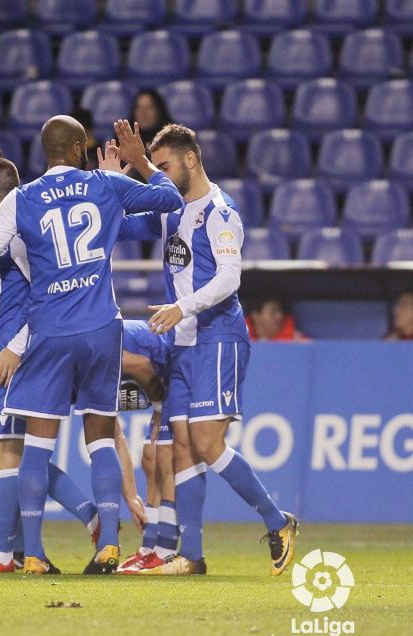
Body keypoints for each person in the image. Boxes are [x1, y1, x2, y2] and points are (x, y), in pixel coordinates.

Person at [0, 116, 182, 575]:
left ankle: (32, 553)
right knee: (100, 438)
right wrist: (135, 165)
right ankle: (109, 544)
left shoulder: (20, 198)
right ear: (78, 147)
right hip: (101, 328)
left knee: (38, 444)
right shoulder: (106, 185)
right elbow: (169, 200)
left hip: (48, 332)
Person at [114, 123, 299, 576]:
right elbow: (118, 226)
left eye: (163, 167)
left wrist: (183, 307)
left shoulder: (220, 211)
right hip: (181, 342)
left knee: (207, 444)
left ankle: (277, 521)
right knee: (182, 449)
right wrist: (111, 182)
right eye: (154, 168)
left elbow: (230, 277)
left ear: (191, 160)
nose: (158, 175)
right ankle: (191, 556)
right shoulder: (168, 208)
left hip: (217, 338)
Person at [0, 156, 123, 574]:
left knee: (11, 451)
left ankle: (9, 552)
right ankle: (69, 531)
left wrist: (16, 345)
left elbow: (39, 291)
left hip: (28, 347)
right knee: (9, 449)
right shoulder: (19, 223)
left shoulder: (16, 231)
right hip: (67, 335)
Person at [114, 320, 179, 574]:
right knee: (150, 458)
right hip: (165, 373)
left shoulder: (90, 348)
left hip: (178, 364)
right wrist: (130, 497)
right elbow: (115, 434)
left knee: (163, 456)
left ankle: (165, 551)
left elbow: (140, 365)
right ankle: (148, 548)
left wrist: (160, 409)